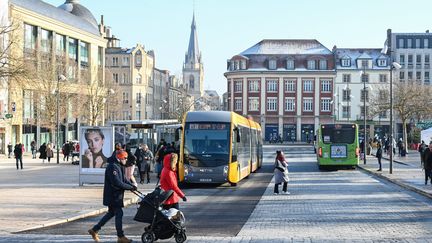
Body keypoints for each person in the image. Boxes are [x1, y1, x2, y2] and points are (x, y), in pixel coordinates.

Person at [88, 150, 136, 243]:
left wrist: (132, 186)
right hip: (113, 195)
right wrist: (129, 187)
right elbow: (116, 182)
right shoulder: (112, 167)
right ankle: (120, 236)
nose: (126, 160)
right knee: (119, 213)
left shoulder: (119, 165)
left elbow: (124, 179)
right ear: (119, 158)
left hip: (116, 195)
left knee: (111, 213)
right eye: (124, 158)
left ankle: (94, 230)